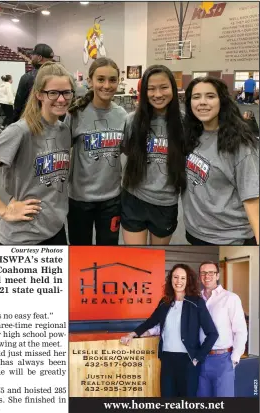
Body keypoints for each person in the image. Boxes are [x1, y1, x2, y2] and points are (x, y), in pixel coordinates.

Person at [0, 62, 74, 245]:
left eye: (66, 92)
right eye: (53, 92)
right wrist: (3, 211)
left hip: (55, 230)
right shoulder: (20, 131)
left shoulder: (64, 130)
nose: (61, 99)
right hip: (23, 237)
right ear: (39, 94)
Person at [120, 264, 218, 397]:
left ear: (188, 280)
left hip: (188, 361)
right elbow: (150, 322)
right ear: (171, 279)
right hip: (167, 360)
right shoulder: (164, 302)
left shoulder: (196, 303)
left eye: (183, 278)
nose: (179, 281)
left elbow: (212, 333)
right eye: (176, 277)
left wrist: (198, 358)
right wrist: (132, 334)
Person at [183, 76, 259, 245]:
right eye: (196, 97)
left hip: (229, 238)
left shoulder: (240, 144)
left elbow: (252, 200)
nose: (202, 102)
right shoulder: (193, 133)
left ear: (222, 101)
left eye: (210, 96)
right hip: (196, 231)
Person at [121, 65, 186, 245]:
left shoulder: (184, 123)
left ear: (173, 88)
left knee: (156, 259)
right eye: (151, 89)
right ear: (144, 91)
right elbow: (127, 150)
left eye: (163, 87)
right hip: (134, 197)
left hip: (166, 202)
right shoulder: (132, 120)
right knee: (136, 258)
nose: (157, 94)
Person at [66, 57, 127, 245]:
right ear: (90, 81)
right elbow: (59, 151)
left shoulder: (122, 116)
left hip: (112, 199)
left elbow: (128, 150)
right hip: (80, 199)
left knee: (108, 250)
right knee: (79, 250)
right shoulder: (75, 114)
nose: (107, 85)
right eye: (100, 79)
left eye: (112, 80)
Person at [197, 261, 247, 397]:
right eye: (203, 273)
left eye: (211, 272)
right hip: (201, 359)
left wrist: (234, 358)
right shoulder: (196, 299)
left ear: (217, 275)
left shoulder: (230, 298)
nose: (207, 276)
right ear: (200, 276)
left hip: (223, 359)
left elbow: (240, 330)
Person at [12, 43, 54, 122]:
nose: (31, 57)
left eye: (33, 55)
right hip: (54, 121)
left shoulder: (27, 77)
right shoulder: (60, 75)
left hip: (33, 123)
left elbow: (18, 105)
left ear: (39, 58)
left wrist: (14, 122)